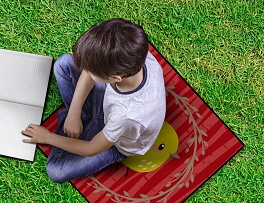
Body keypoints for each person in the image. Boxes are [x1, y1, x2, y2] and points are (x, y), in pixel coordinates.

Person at [21, 18, 166, 182]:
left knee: (56, 170)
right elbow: (89, 69)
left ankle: (80, 123)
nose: (86, 71)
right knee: (63, 64)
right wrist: (73, 114)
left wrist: (48, 137)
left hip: (115, 142)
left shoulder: (127, 115)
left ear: (115, 77)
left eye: (92, 72)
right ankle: (78, 118)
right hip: (110, 107)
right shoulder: (136, 54)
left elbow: (91, 148)